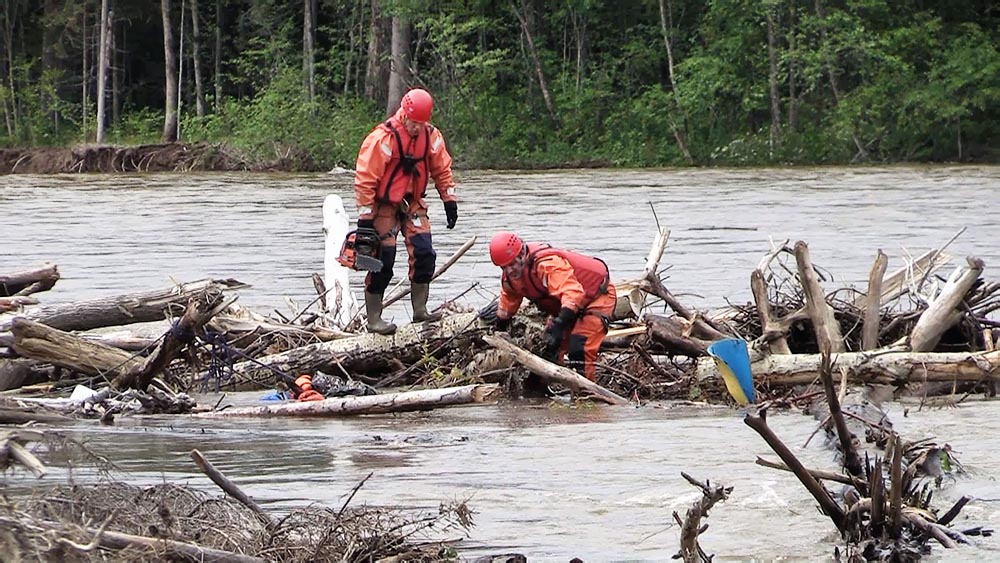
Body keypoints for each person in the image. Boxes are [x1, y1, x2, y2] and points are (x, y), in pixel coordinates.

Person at [354, 88, 459, 335]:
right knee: (382, 261)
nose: (415, 128)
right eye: (413, 122)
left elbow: (442, 170)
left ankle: (420, 309)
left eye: (420, 123)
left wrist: (449, 200)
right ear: (404, 114)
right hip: (384, 207)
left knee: (425, 253)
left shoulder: (431, 137)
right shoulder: (383, 139)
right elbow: (365, 180)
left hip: (413, 204)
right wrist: (365, 219)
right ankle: (374, 319)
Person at [488, 231, 616, 382]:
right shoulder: (511, 279)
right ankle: (543, 392)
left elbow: (573, 293)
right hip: (565, 307)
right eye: (503, 267)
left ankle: (587, 395)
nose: (509, 270)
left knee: (579, 348)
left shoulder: (547, 263)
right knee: (548, 349)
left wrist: (560, 324)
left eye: (512, 264)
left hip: (596, 299)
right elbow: (507, 304)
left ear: (522, 254)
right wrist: (499, 329)